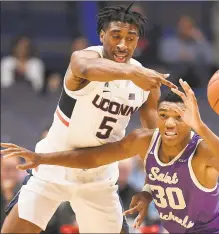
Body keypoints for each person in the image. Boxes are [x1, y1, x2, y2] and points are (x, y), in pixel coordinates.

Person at [0, 3, 177, 234]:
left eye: (130, 38)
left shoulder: (145, 83)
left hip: (99, 177)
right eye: (116, 36)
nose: (123, 44)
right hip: (55, 166)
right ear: (102, 35)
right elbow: (84, 68)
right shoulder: (84, 58)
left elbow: (154, 144)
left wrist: (148, 189)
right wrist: (135, 72)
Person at [2, 79, 219, 233]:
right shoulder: (144, 141)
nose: (170, 123)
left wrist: (202, 127)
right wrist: (44, 158)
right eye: (164, 116)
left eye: (179, 117)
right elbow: (92, 158)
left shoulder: (202, 150)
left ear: (190, 121)